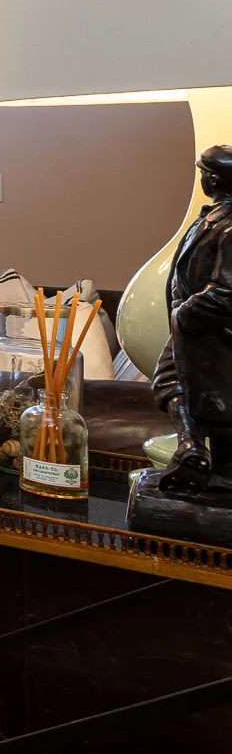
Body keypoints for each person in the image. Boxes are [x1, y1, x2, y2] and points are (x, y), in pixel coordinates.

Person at [156, 145, 232, 496]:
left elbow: (227, 289)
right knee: (171, 383)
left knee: (216, 401)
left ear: (212, 178)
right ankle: (191, 447)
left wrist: (187, 312)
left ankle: (219, 472)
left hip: (210, 331)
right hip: (189, 329)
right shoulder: (212, 217)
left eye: (201, 170)